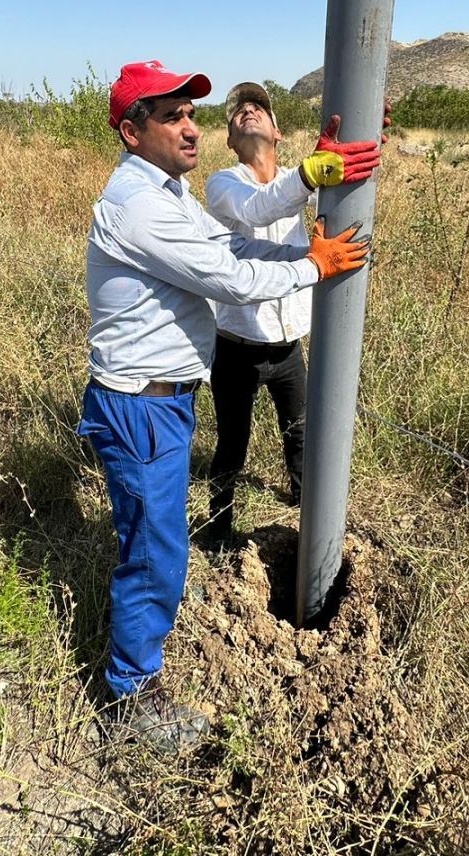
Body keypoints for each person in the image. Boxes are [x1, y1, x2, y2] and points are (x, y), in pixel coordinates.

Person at [77, 60, 374, 753]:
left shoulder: (171, 193)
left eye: (191, 113)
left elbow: (233, 238)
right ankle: (129, 702)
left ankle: (152, 634)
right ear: (131, 130)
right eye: (172, 115)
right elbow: (228, 274)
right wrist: (314, 266)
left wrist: (306, 230)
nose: (191, 126)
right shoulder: (140, 204)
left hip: (164, 402)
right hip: (141, 405)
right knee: (151, 549)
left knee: (158, 539)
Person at [201, 82, 381, 547]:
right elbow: (258, 210)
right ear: (229, 142)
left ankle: (306, 515)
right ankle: (218, 533)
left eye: (258, 107)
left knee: (299, 436)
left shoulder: (299, 183)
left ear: (278, 133)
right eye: (239, 111)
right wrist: (307, 176)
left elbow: (337, 193)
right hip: (235, 348)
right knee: (231, 448)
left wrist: (366, 132)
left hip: (287, 348)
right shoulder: (225, 184)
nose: (248, 111)